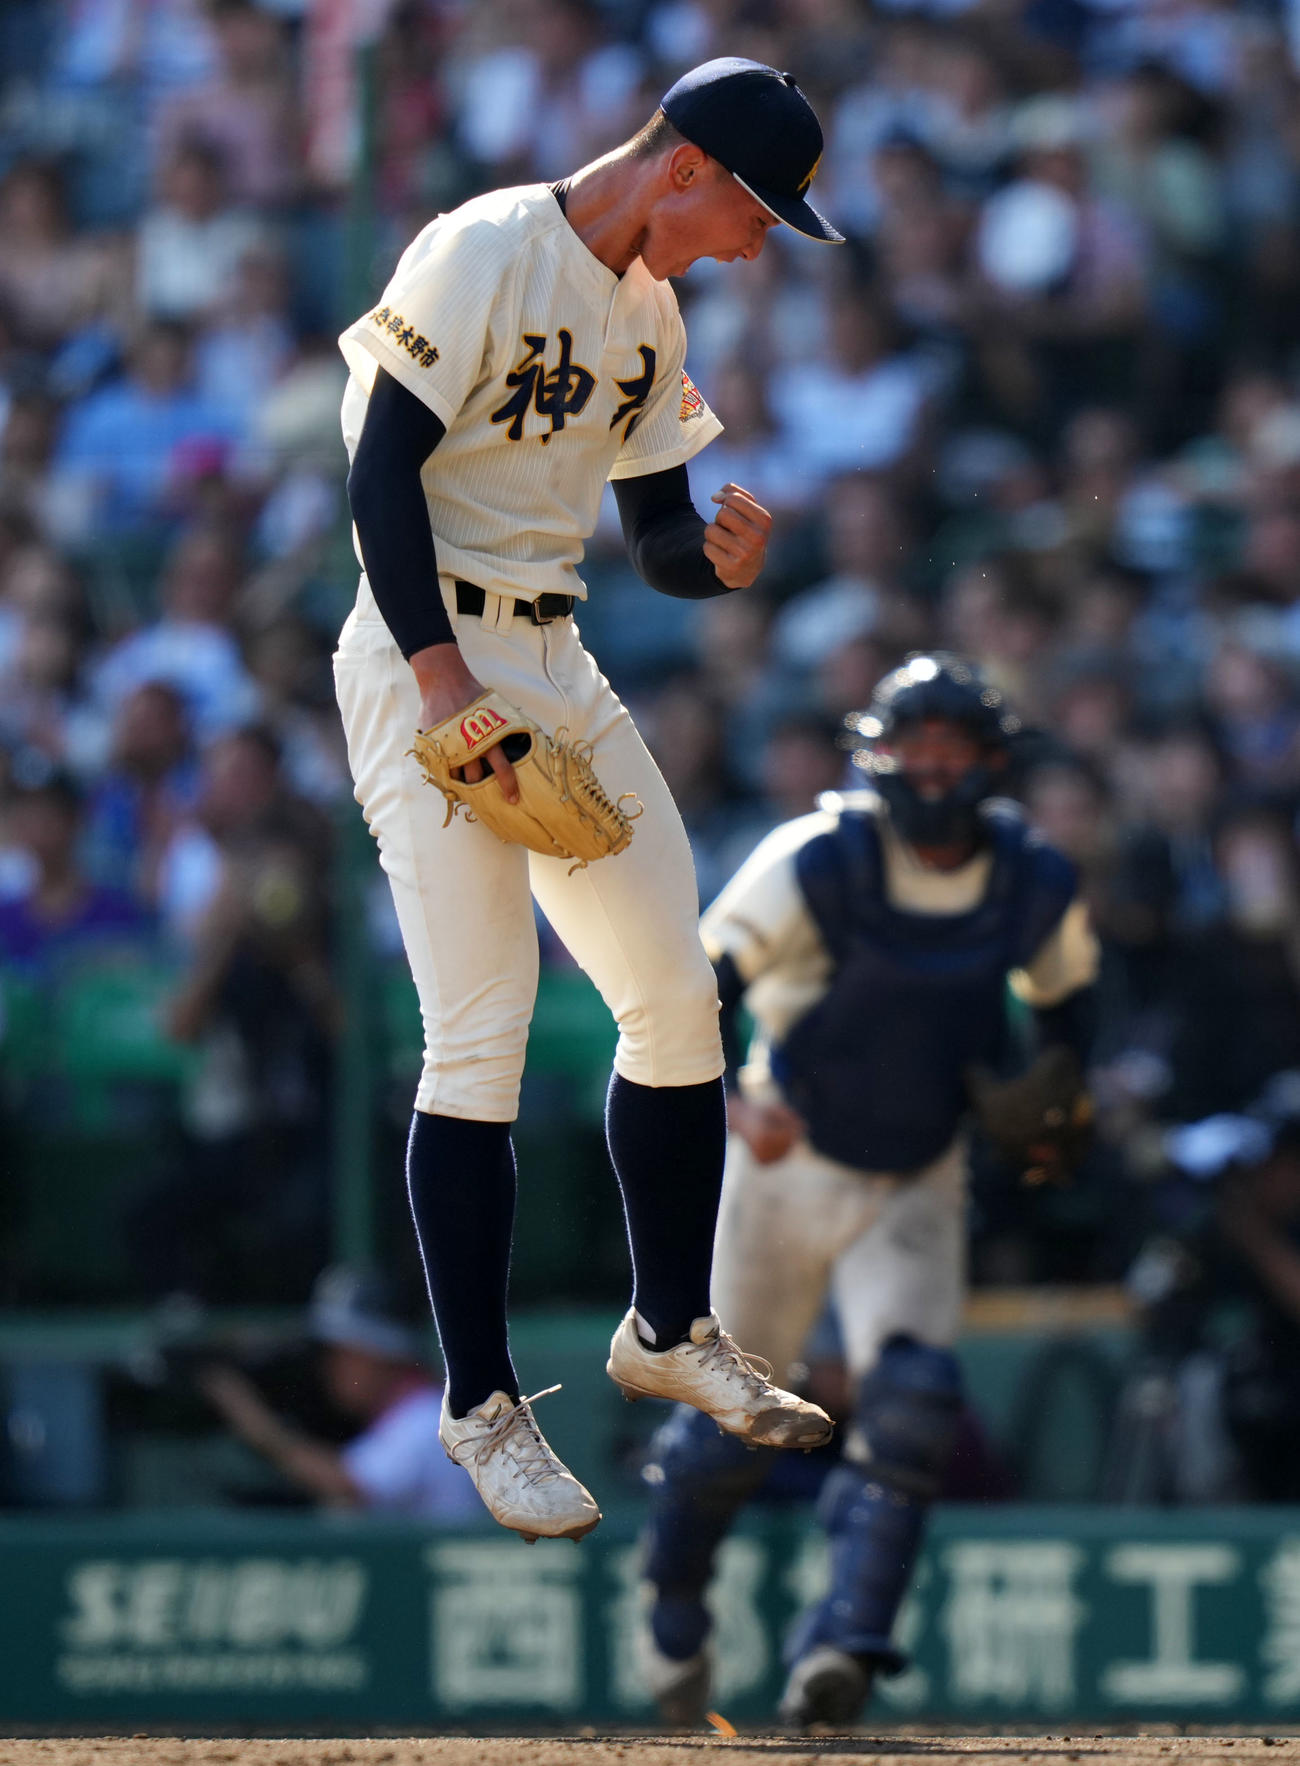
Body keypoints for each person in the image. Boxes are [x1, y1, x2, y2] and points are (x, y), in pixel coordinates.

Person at [332, 59, 842, 1547]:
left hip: (555, 652)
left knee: (678, 1001)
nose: (761, 241)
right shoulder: (485, 246)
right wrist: (439, 687)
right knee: (479, 1030)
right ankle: (481, 1404)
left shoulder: (651, 309)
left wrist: (718, 562)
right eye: (757, 209)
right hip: (423, 648)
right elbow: (379, 479)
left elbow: (658, 535)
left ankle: (669, 1326)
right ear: (684, 166)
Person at [637, 652, 1100, 1728]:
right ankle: (673, 1591)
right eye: (915, 746)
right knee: (728, 1421)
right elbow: (687, 996)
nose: (934, 771)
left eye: (955, 748)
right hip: (781, 1160)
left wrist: (1062, 1101)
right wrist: (732, 1109)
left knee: (913, 1399)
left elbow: (1071, 1011)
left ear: (991, 762)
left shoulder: (1029, 876)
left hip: (916, 1169)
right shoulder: (816, 859)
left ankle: (840, 1643)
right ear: (877, 756)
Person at [197, 1264, 480, 1519]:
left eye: (342, 1354)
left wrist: (256, 1425)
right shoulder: (398, 1416)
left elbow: (346, 1485)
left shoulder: (426, 1415)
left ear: (381, 1354)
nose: (330, 1368)